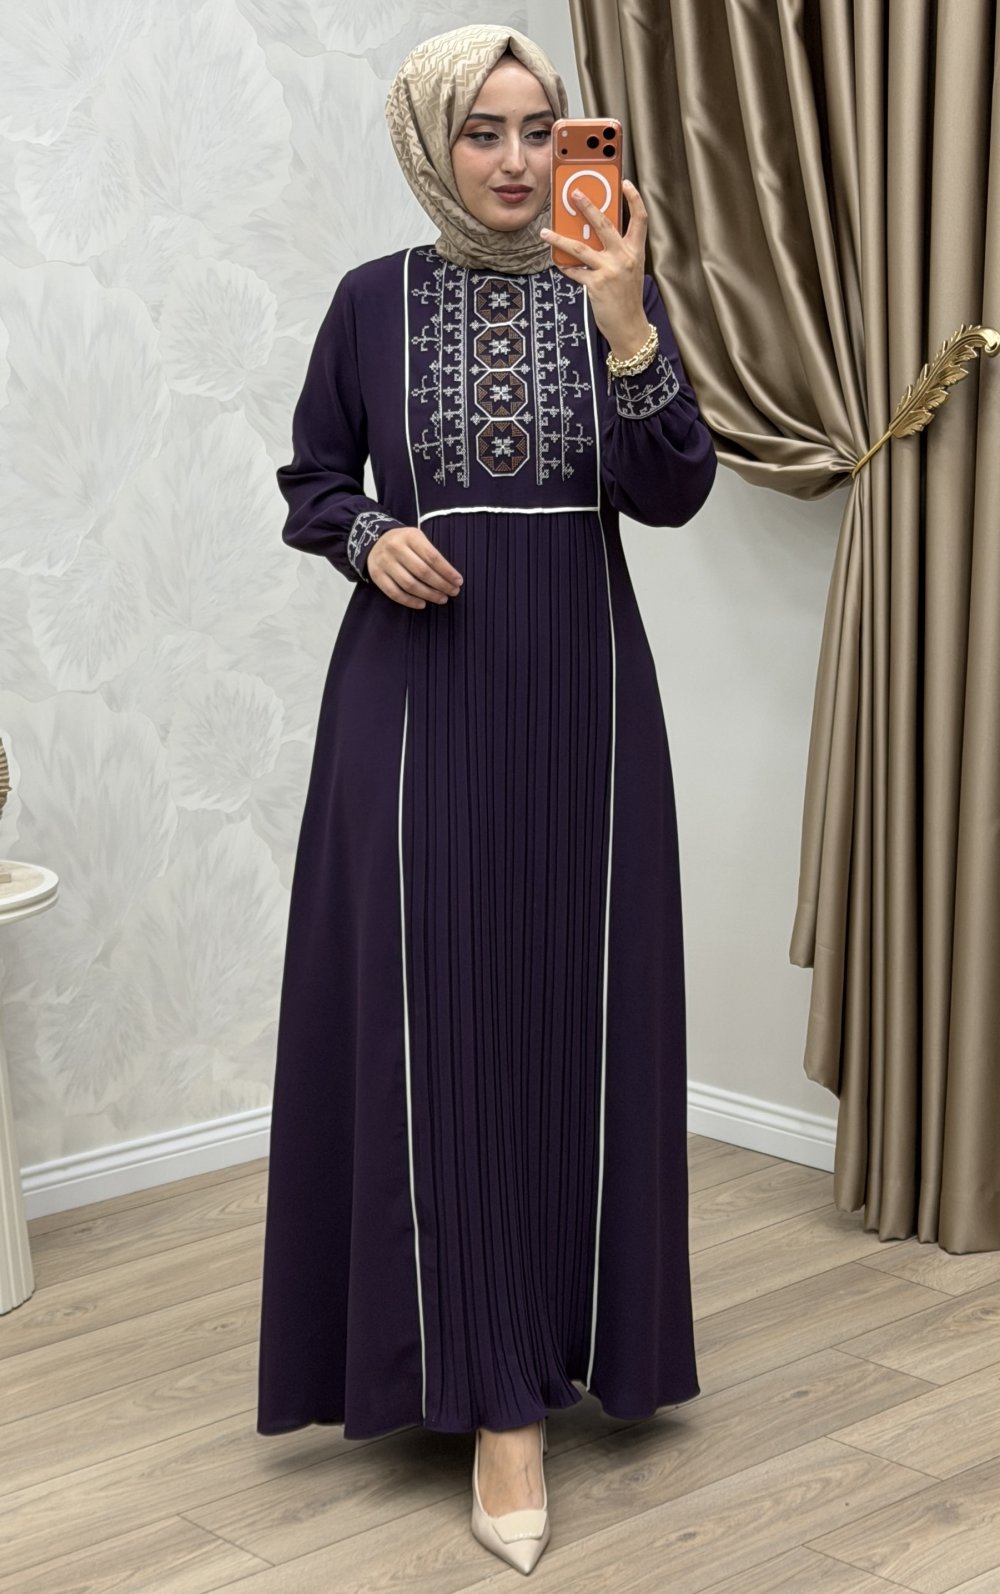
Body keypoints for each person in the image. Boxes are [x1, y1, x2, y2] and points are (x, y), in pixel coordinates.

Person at [256, 22, 717, 1577]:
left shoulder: (613, 292)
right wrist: (367, 536)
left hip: (584, 707)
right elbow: (314, 479)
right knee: (438, 1022)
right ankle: (492, 1397)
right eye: (484, 131)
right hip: (415, 708)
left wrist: (632, 324)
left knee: (570, 1015)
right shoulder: (370, 302)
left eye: (541, 129)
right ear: (432, 141)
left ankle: (564, 1344)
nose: (518, 161)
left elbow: (672, 491)